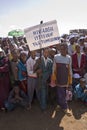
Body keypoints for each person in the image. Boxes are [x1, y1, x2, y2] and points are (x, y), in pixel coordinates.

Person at [51, 43, 72, 116]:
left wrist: (70, 80)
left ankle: (62, 106)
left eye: (64, 49)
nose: (62, 50)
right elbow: (53, 68)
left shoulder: (69, 58)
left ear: (67, 49)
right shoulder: (56, 57)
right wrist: (54, 78)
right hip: (58, 78)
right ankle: (64, 107)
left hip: (65, 78)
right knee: (60, 93)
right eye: (61, 49)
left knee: (63, 93)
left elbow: (70, 69)